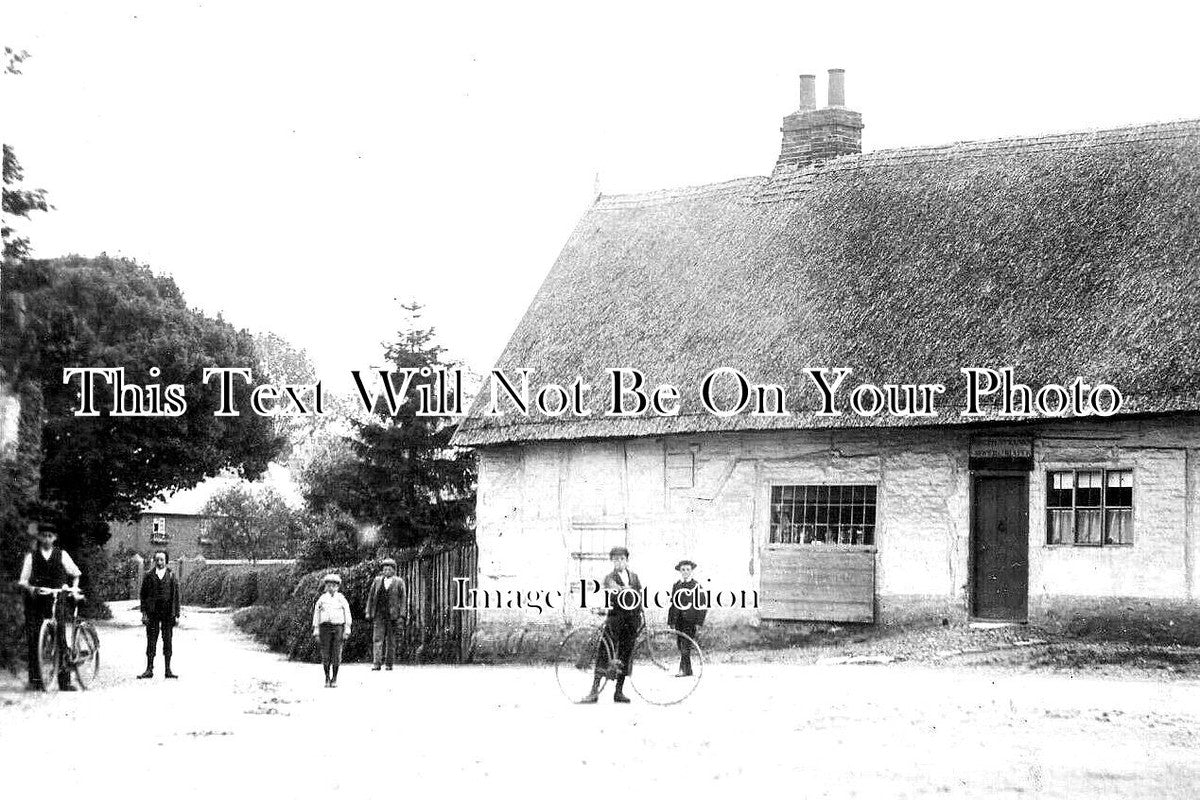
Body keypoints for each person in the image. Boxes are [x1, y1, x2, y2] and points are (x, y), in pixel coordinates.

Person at [17, 522, 82, 691]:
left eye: (49, 536)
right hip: (36, 601)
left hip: (56, 598)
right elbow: (23, 580)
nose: (46, 539)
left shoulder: (62, 554)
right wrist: (31, 588)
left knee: (59, 634)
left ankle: (64, 681)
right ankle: (36, 681)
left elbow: (75, 573)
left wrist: (72, 589)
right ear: (39, 537)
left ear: (54, 538)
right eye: (43, 535)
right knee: (34, 637)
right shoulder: (31, 556)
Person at [580, 546, 643, 704]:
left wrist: (640, 612)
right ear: (612, 561)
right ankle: (594, 692)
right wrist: (623, 589)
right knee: (604, 653)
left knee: (626, 654)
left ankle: (619, 692)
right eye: (616, 559)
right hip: (615, 620)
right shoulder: (609, 578)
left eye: (622, 559)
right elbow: (614, 589)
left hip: (631, 621)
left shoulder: (634, 577)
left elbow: (639, 595)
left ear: (626, 560)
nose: (619, 562)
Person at [137, 550, 181, 679]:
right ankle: (149, 669)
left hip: (168, 613)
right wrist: (144, 613)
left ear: (166, 561)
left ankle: (168, 670)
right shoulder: (149, 576)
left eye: (162, 560)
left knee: (167, 640)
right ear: (154, 561)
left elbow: (176, 596)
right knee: (151, 640)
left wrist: (176, 614)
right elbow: (143, 596)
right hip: (152, 613)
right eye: (157, 560)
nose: (159, 562)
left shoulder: (172, 576)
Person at [667, 559, 707, 677]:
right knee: (680, 645)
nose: (685, 572)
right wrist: (671, 621)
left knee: (686, 645)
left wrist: (699, 622)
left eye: (688, 570)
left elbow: (702, 605)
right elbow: (673, 604)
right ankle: (688, 670)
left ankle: (683, 669)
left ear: (691, 571)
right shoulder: (677, 585)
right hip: (679, 621)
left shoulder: (696, 586)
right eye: (683, 570)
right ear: (680, 571)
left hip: (690, 621)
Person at [365, 557, 406, 671]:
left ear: (394, 570)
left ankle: (389, 664)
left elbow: (403, 599)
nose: (387, 571)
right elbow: (371, 597)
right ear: (382, 570)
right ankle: (376, 663)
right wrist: (368, 611)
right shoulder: (377, 581)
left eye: (389, 569)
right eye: (385, 569)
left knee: (391, 641)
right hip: (379, 614)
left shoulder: (399, 582)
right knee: (377, 638)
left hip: (393, 615)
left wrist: (402, 615)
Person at [312, 574, 352, 688]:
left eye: (334, 586)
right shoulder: (322, 599)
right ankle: (326, 677)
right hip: (325, 628)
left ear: (338, 587)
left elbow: (347, 614)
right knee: (325, 653)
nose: (331, 588)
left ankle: (334, 678)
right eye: (329, 585)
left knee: (336, 652)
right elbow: (317, 615)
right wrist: (316, 630)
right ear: (325, 586)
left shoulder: (341, 599)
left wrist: (347, 629)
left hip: (338, 628)